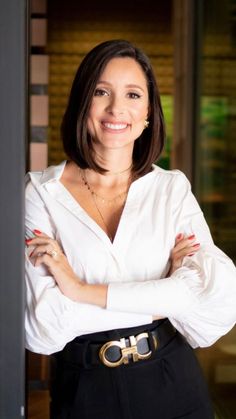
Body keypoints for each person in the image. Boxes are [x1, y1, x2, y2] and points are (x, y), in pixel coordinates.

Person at [25, 39, 236, 419]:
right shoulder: (40, 192)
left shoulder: (172, 189)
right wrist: (162, 299)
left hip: (174, 381)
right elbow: (43, 328)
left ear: (148, 114)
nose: (116, 108)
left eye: (133, 94)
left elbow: (211, 305)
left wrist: (78, 289)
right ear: (82, 103)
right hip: (84, 390)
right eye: (101, 91)